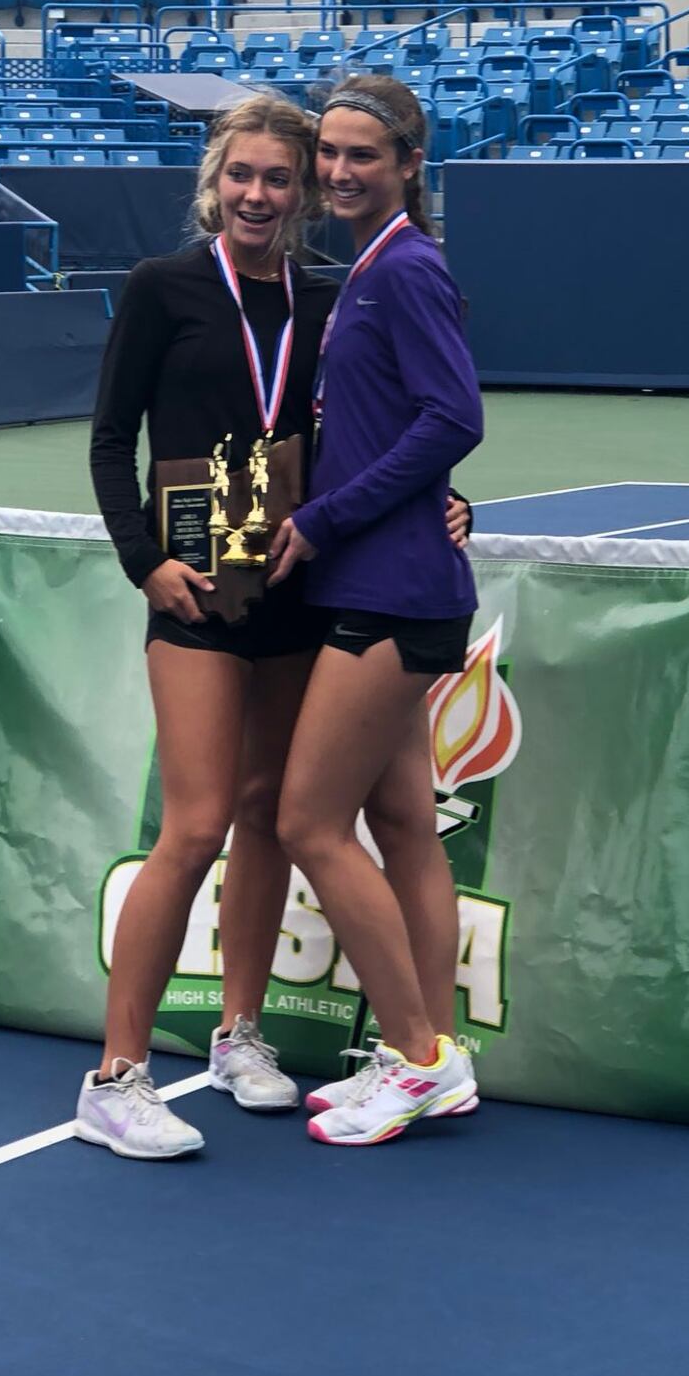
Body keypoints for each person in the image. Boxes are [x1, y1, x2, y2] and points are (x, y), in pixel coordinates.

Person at [79, 93, 335, 1159]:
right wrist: (146, 565)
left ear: (304, 192)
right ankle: (116, 1077)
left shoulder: (329, 303)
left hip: (291, 594)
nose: (258, 196)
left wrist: (443, 501)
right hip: (192, 600)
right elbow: (108, 442)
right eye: (242, 176)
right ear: (213, 183)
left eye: (278, 179)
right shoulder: (162, 289)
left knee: (269, 815)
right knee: (190, 828)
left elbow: (368, 437)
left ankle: (238, 1035)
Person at [268, 73, 486, 1147]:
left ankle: (417, 1057)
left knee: (307, 820)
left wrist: (321, 520)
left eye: (364, 154)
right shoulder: (359, 271)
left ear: (408, 164)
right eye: (331, 154)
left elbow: (454, 416)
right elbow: (391, 424)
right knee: (400, 822)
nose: (340, 171)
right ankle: (431, 1051)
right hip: (381, 578)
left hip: (388, 593)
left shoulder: (405, 268)